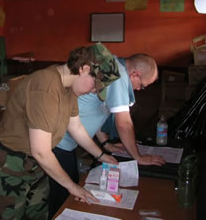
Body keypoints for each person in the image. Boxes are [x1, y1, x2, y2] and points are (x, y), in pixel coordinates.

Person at [0, 43, 120, 220]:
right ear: (84, 69)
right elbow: (41, 151)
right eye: (95, 85)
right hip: (8, 163)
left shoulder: (69, 88)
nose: (93, 91)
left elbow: (76, 127)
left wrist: (101, 156)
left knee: (38, 215)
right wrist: (72, 186)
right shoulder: (46, 86)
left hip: (35, 165)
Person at [49, 53, 166, 219]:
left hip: (67, 140)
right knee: (64, 197)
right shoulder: (119, 77)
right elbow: (124, 123)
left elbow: (97, 109)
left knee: (70, 189)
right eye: (142, 85)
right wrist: (138, 158)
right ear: (135, 75)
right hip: (59, 141)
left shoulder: (113, 65)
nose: (139, 89)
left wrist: (105, 144)